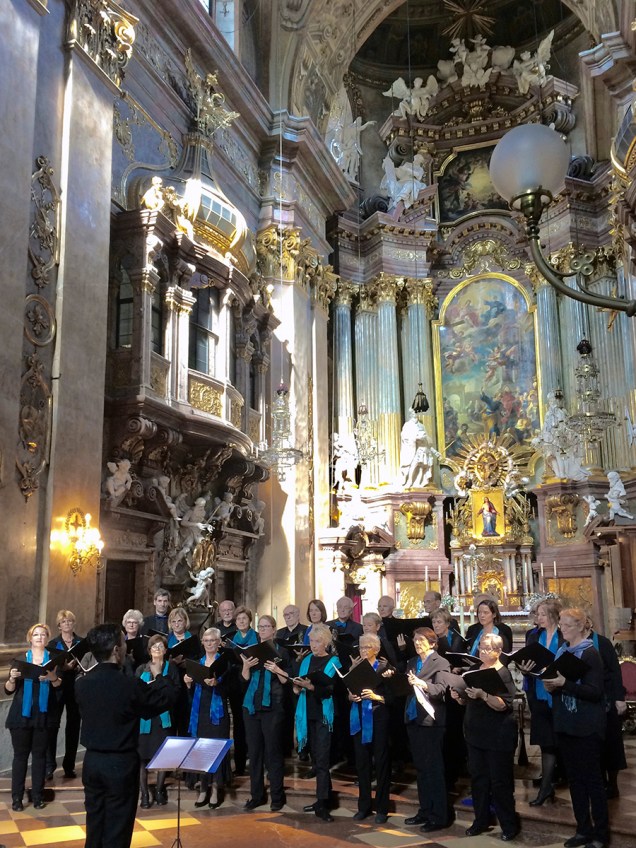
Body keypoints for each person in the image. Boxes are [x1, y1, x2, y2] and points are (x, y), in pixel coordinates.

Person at [75, 623, 178, 848]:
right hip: (120, 764)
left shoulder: (82, 684)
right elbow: (164, 700)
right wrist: (160, 676)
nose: (126, 648)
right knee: (117, 831)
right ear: (116, 650)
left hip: (92, 762)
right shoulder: (129, 685)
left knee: (95, 826)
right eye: (123, 642)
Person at [543, 609, 608, 848]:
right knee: (575, 780)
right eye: (561, 625)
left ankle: (600, 834)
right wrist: (552, 687)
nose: (562, 629)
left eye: (567, 625)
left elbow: (595, 692)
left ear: (580, 627)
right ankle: (582, 829)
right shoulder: (562, 651)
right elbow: (559, 687)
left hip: (586, 725)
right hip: (566, 723)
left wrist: (565, 684)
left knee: (592, 781)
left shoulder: (590, 654)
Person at [452, 633, 519, 840]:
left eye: (487, 648)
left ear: (498, 651)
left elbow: (503, 705)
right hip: (475, 734)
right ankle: (481, 821)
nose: (482, 651)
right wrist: (459, 697)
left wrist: (484, 695)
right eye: (481, 647)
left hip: (498, 736)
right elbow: (468, 700)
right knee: (479, 780)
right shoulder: (474, 670)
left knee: (500, 782)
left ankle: (509, 825)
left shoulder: (503, 673)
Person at [5, 623, 62, 811]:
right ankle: (17, 798)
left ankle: (37, 796)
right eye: (36, 634)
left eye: (43, 634)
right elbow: (9, 690)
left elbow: (59, 686)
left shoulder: (53, 660)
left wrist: (53, 678)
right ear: (30, 638)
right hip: (22, 714)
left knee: (39, 757)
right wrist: (12, 678)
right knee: (20, 757)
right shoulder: (21, 659)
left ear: (47, 638)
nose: (39, 637)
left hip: (44, 714)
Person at [402, 627, 453, 833]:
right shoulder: (412, 662)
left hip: (431, 721)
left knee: (434, 769)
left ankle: (439, 816)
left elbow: (440, 690)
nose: (417, 643)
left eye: (421, 640)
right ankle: (424, 810)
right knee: (421, 768)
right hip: (413, 718)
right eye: (415, 640)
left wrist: (422, 684)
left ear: (432, 643)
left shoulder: (441, 662)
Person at [241, 615, 291, 812]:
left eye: (266, 626)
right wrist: (246, 667)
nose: (262, 630)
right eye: (260, 627)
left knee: (273, 753)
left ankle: (277, 796)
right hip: (251, 706)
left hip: (273, 707)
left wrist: (276, 668)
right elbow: (244, 679)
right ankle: (256, 795)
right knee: (254, 753)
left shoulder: (282, 652)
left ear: (274, 629)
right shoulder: (251, 650)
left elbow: (287, 680)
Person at [518, 598, 564, 806]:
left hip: (560, 693)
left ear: (553, 615)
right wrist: (524, 669)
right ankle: (546, 787)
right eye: (537, 614)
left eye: (543, 614)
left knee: (560, 741)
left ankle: (556, 780)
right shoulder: (534, 635)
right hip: (538, 693)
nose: (539, 617)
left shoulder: (563, 635)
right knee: (546, 742)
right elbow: (527, 660)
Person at [293, 624, 342, 822]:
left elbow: (330, 690)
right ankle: (324, 798)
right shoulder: (306, 660)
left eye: (317, 641)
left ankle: (322, 804)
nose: (313, 645)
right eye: (312, 641)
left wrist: (311, 686)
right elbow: (298, 686)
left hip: (323, 715)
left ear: (326, 642)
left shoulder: (334, 661)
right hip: (308, 713)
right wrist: (297, 688)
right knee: (315, 758)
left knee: (322, 760)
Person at [184, 627, 232, 809]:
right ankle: (203, 788)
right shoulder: (197, 663)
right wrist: (188, 684)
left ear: (219, 643)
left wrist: (217, 683)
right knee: (201, 750)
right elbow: (190, 694)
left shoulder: (225, 663)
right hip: (200, 711)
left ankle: (215, 789)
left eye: (213, 640)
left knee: (216, 748)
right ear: (202, 643)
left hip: (217, 712)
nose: (209, 643)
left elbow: (231, 689)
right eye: (206, 640)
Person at [348, 633, 391, 824]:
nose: (363, 651)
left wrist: (376, 697)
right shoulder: (356, 667)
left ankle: (382, 808)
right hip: (359, 720)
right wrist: (350, 697)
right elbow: (348, 691)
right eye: (361, 647)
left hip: (379, 720)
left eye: (367, 647)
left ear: (377, 649)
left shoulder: (385, 669)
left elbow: (393, 698)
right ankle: (363, 806)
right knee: (362, 764)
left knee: (381, 764)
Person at [585, 616, 628, 799]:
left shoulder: (602, 643)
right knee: (594, 745)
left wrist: (619, 698)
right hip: (588, 701)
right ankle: (600, 780)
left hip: (607, 698)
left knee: (611, 742)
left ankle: (613, 784)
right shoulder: (570, 644)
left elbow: (615, 672)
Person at [136, 634, 180, 808]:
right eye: (154, 647)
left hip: (164, 717)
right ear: (149, 651)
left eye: (161, 647)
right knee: (142, 758)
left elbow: (176, 692)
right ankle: (144, 793)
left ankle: (160, 789)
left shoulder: (172, 668)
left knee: (163, 755)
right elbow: (135, 692)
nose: (157, 649)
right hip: (145, 718)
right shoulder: (141, 669)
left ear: (166, 650)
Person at [46, 609, 83, 780]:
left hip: (75, 687)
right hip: (57, 688)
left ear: (73, 623)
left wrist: (77, 667)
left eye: (69, 621)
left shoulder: (80, 642)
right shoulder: (53, 644)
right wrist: (63, 668)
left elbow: (86, 663)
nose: (67, 624)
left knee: (73, 726)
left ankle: (69, 766)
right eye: (63, 622)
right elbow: (49, 665)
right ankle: (50, 765)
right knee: (53, 725)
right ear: (59, 626)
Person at [167, 607, 200, 736]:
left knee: (185, 718)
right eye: (173, 621)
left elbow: (199, 659)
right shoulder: (166, 640)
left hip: (189, 682)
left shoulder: (192, 639)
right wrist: (172, 662)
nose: (176, 624)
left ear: (185, 622)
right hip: (172, 680)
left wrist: (188, 663)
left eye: (180, 621)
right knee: (172, 717)